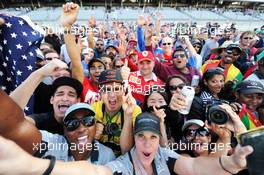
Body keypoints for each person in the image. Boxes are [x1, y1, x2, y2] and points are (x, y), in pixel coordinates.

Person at [0, 96, 253, 175]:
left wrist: (229, 163)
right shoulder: (119, 163)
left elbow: (197, 167)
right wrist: (33, 165)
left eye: (152, 137)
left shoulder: (166, 156)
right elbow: (93, 172)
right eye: (140, 136)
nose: (147, 142)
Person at [92, 69, 142, 155]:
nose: (112, 95)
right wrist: (92, 134)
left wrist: (128, 115)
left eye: (116, 89)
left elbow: (126, 151)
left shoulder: (134, 109)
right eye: (106, 89)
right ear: (100, 94)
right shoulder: (95, 108)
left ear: (124, 91)